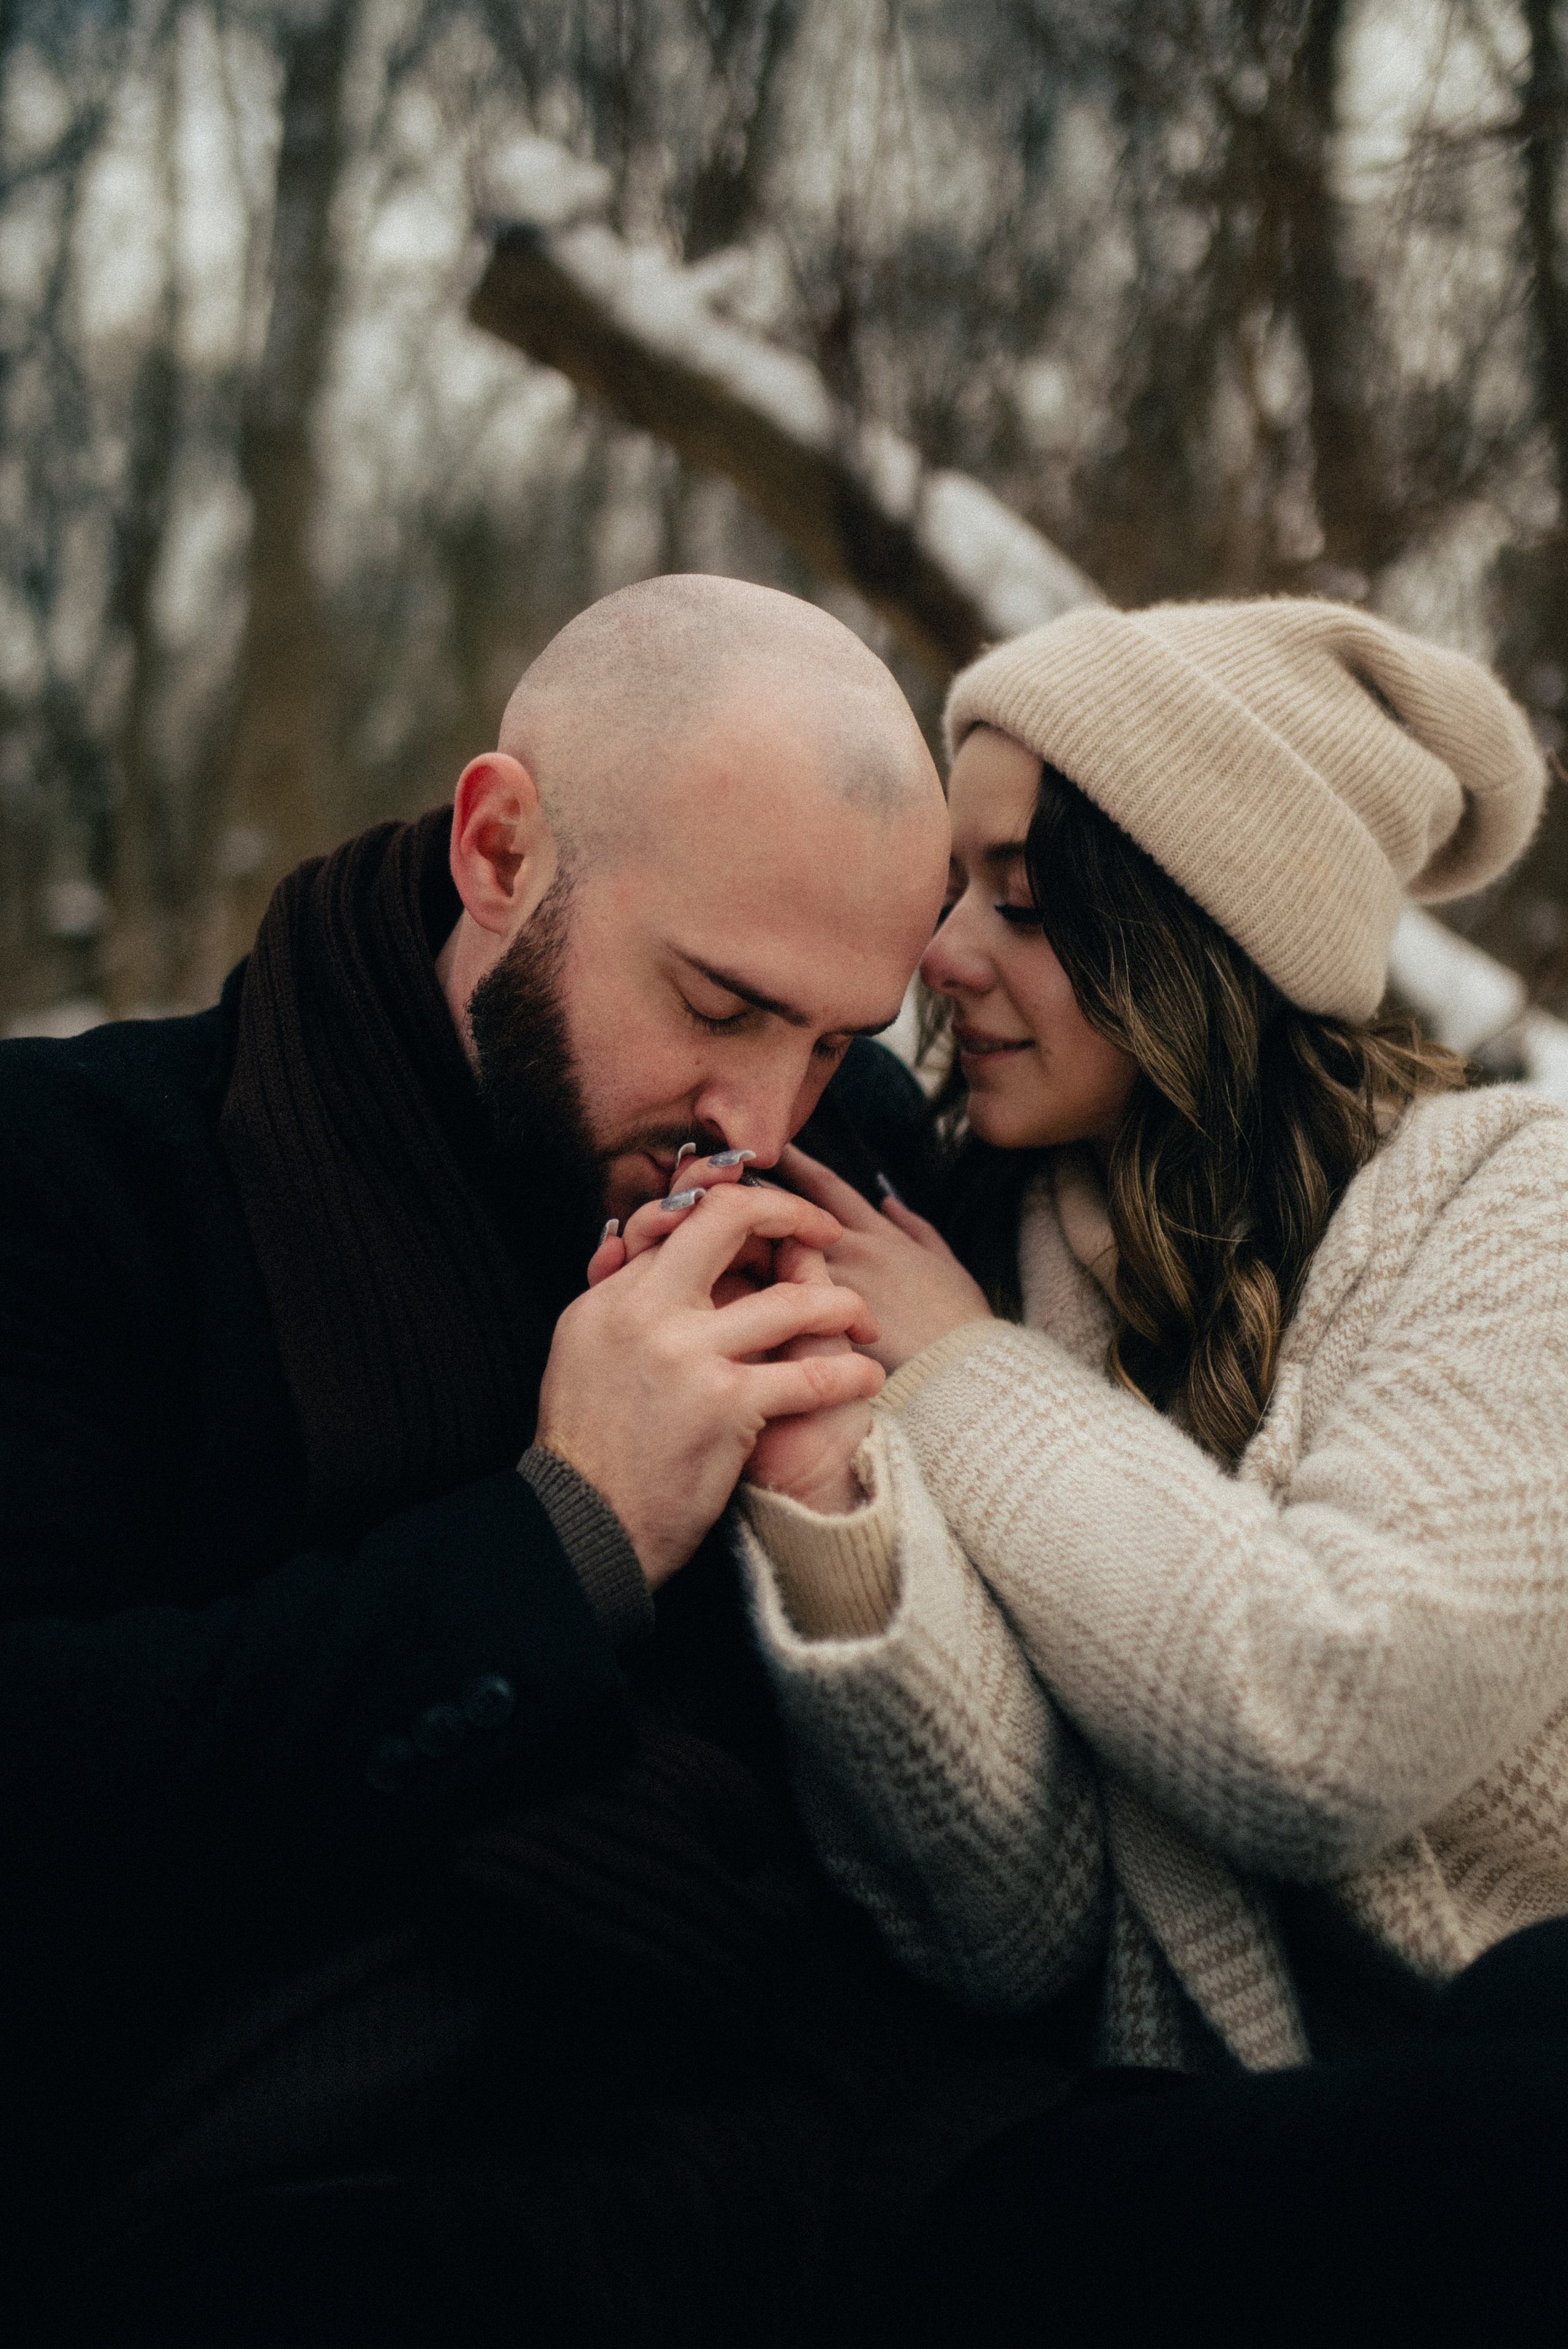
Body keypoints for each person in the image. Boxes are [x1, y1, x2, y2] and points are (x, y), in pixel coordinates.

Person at [1, 572, 958, 2338]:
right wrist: (565, 1534)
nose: (760, 1123)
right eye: (721, 1003)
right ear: (501, 849)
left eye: (834, 1041)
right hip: (289, 2208)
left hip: (851, 2143)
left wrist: (954, 1397)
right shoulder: (78, 1181)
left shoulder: (862, 1175)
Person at [615, 597, 1568, 2337]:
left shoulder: (1515, 1208)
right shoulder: (985, 1252)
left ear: (1211, 928)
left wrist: (959, 1371)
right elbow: (1013, 1925)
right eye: (954, 893)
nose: (942, 957)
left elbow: (1325, 1711)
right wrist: (836, 1496)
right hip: (1228, 2169)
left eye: (1027, 904)